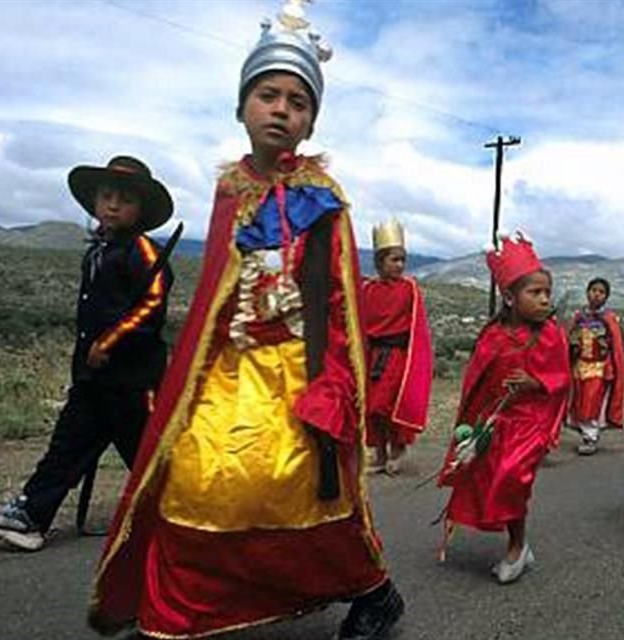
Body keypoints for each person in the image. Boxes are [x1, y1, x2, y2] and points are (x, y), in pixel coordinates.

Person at [88, 5, 403, 639]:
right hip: (230, 370)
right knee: (194, 480)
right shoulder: (230, 194)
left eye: (297, 101)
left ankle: (374, 590)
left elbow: (338, 302)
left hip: (297, 371)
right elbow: (213, 302)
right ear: (242, 107)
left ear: (311, 119)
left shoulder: (324, 200)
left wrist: (335, 384)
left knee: (298, 489)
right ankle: (172, 617)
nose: (282, 109)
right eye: (268, 95)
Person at [0, 155, 174, 552]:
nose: (113, 205)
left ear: (141, 209)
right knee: (66, 447)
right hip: (92, 378)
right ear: (95, 202)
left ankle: (184, 521)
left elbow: (151, 306)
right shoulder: (98, 250)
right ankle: (30, 517)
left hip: (132, 383)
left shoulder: (145, 252)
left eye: (125, 199)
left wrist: (107, 343)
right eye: (107, 196)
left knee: (148, 458)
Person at [437, 231, 570, 584]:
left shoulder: (551, 333)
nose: (544, 300)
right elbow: (476, 382)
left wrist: (534, 382)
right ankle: (515, 538)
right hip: (494, 422)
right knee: (490, 479)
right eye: (535, 293)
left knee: (512, 476)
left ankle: (518, 545)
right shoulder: (492, 334)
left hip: (531, 422)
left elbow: (561, 377)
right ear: (509, 297)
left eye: (547, 293)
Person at [362, 218, 433, 475]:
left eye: (402, 259)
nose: (400, 265)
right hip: (373, 357)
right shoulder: (368, 289)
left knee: (389, 405)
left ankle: (397, 450)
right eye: (394, 259)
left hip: (398, 357)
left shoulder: (409, 288)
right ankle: (379, 453)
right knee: (373, 408)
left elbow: (418, 325)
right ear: (380, 261)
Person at [566, 277, 624, 455]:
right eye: (594, 290)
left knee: (592, 402)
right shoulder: (579, 317)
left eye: (601, 292)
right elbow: (569, 338)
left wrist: (613, 367)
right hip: (579, 365)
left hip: (599, 367)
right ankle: (584, 432)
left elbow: (615, 346)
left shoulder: (608, 319)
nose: (596, 295)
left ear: (606, 297)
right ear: (587, 292)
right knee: (579, 400)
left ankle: (591, 436)